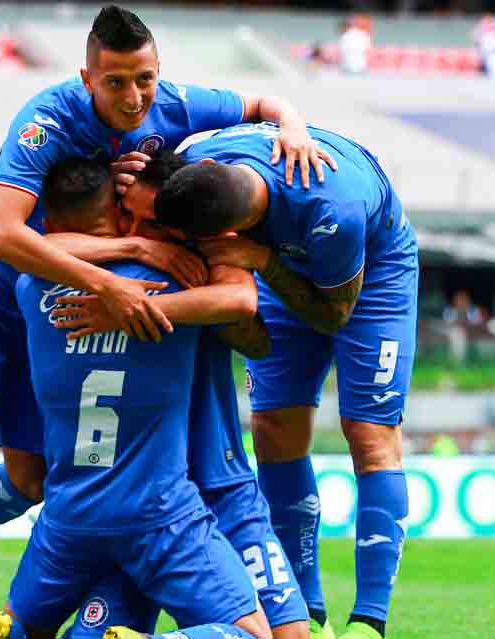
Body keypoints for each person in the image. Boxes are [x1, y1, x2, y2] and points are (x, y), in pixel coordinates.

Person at [0, 5, 335, 637]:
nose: (134, 98)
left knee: (29, 477)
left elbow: (267, 102)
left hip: (71, 286)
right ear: (86, 78)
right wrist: (124, 267)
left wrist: (294, 126)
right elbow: (4, 235)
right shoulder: (47, 119)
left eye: (145, 80)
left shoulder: (180, 111)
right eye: (115, 83)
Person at [63, 121, 418, 639]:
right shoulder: (199, 157)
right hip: (276, 263)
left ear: (229, 231)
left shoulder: (332, 214)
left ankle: (369, 621)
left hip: (369, 271)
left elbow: (332, 314)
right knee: (274, 429)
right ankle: (308, 609)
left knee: (369, 434)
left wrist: (265, 261)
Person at [40, 155, 309, 639]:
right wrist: (138, 251)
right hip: (146, 498)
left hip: (217, 481)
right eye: (131, 215)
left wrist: (150, 307)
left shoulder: (206, 260)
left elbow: (254, 333)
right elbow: (26, 245)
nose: (139, 230)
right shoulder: (114, 268)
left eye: (153, 223)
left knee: (290, 634)